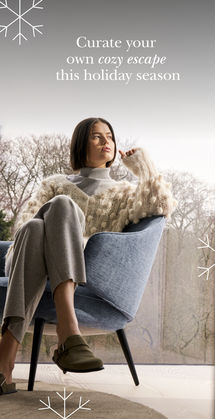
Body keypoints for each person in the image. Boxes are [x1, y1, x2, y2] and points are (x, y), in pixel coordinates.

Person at [0, 117, 177, 395]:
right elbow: (24, 227)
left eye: (109, 136)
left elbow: (162, 206)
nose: (106, 142)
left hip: (86, 271)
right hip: (25, 260)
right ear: (81, 144)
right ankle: (69, 333)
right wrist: (61, 240)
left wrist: (143, 168)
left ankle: (5, 359)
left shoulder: (125, 192)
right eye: (97, 137)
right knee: (45, 217)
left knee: (48, 218)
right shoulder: (54, 183)